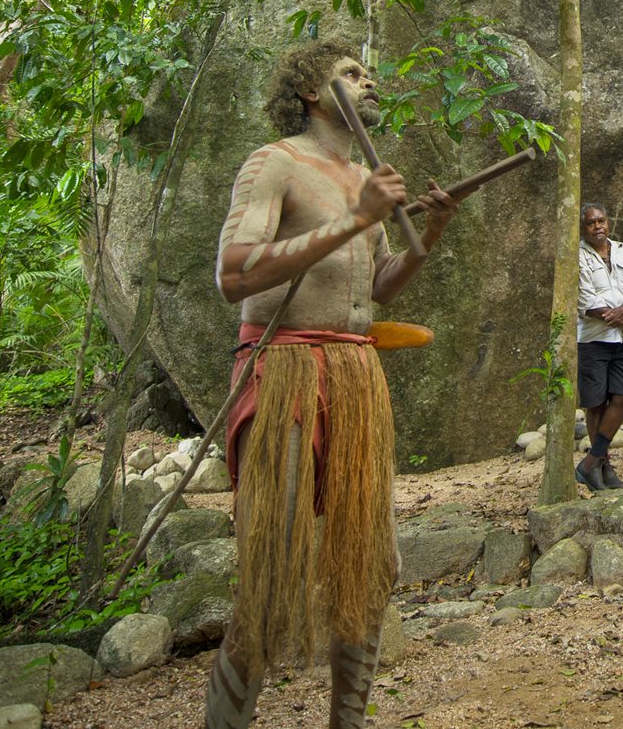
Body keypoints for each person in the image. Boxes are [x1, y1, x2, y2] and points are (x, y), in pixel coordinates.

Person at [204, 39, 461, 729]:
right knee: (268, 578)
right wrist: (358, 218)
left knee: (367, 571)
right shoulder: (275, 163)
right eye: (351, 73)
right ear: (313, 93)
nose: (368, 81)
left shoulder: (363, 178)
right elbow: (234, 276)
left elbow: (374, 288)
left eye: (370, 71)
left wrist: (426, 232)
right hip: (284, 370)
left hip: (355, 373)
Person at [576, 202, 623, 492]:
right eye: (591, 223)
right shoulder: (578, 256)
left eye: (601, 220)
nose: (598, 226)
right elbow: (586, 300)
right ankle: (602, 466)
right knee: (596, 404)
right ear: (583, 228)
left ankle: (590, 462)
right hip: (594, 340)